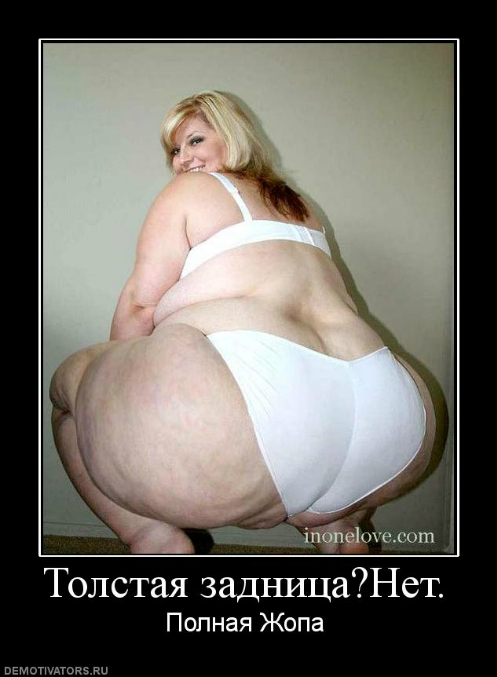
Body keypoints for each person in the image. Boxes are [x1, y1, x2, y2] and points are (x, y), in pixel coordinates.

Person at [50, 90, 436, 555]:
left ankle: (152, 537)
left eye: (195, 140)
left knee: (69, 392)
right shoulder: (301, 207)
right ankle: (337, 533)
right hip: (389, 413)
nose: (182, 159)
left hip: (256, 404)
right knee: (316, 489)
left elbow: (139, 305)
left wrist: (114, 391)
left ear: (233, 137)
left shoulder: (190, 191)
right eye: (174, 150)